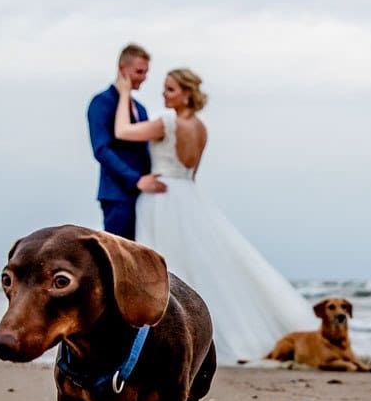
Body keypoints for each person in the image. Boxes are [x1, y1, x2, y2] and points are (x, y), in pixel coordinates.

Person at [112, 67, 315, 363]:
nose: (164, 94)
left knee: (168, 265)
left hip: (163, 196)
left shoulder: (167, 122)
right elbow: (193, 171)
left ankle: (175, 333)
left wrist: (124, 94)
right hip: (189, 194)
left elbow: (121, 132)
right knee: (205, 268)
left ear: (186, 94)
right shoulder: (202, 128)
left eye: (170, 89)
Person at [87, 43, 166, 239]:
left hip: (145, 195)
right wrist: (136, 180)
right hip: (117, 196)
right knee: (121, 258)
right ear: (123, 69)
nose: (144, 78)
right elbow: (101, 150)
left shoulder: (140, 108)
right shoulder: (101, 103)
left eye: (146, 73)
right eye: (139, 72)